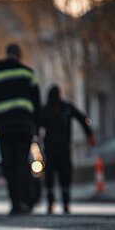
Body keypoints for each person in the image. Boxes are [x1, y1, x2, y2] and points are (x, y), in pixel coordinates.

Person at [0, 43, 41, 215]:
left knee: (8, 165)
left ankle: (15, 203)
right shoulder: (28, 73)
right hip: (24, 127)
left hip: (4, 129)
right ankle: (26, 201)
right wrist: (37, 126)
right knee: (22, 164)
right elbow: (36, 102)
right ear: (19, 55)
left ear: (7, 54)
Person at [40, 85, 95, 214]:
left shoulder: (65, 108)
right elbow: (82, 119)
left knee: (61, 175)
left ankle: (63, 202)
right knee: (55, 175)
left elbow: (82, 119)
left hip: (60, 148)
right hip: (53, 149)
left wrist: (89, 134)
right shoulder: (49, 110)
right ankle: (53, 202)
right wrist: (89, 135)